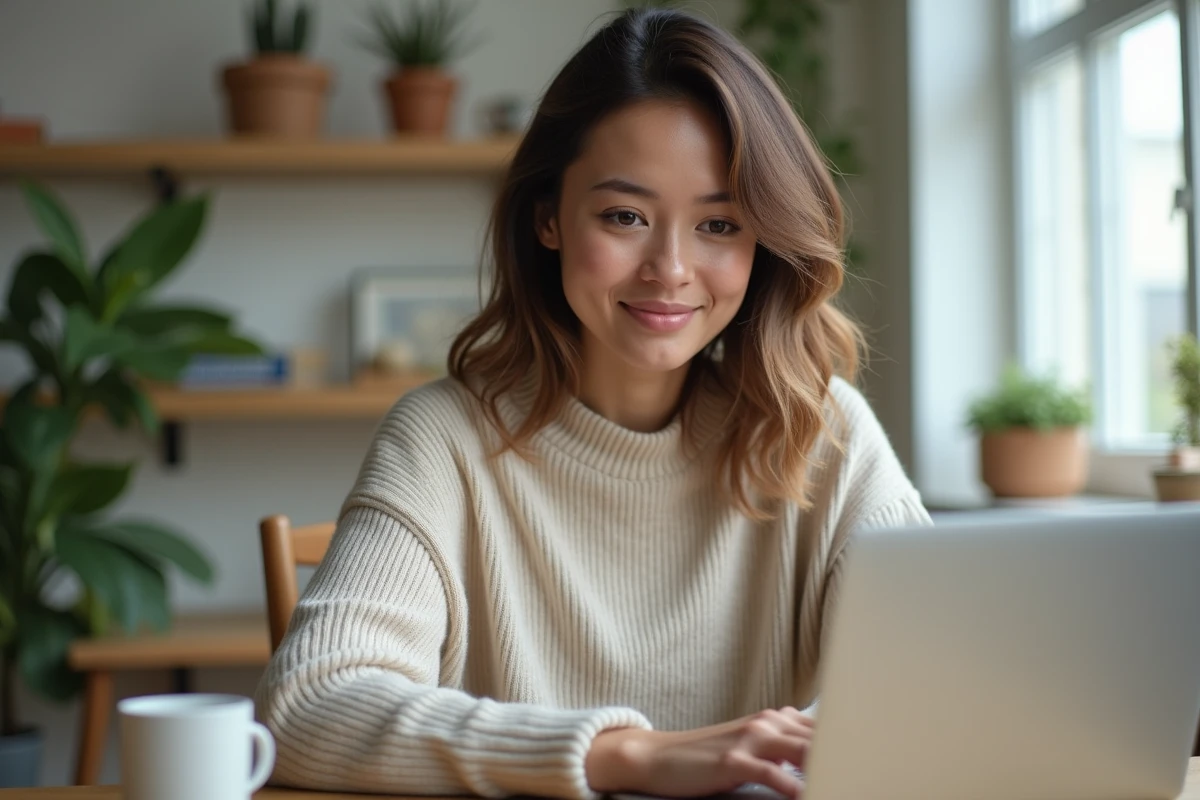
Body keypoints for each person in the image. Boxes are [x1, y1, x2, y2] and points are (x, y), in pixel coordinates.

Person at [255, 7, 930, 800]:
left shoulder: (823, 430)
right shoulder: (442, 439)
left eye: (720, 223)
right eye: (625, 217)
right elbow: (306, 707)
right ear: (549, 217)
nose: (671, 269)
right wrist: (627, 755)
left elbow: (941, 684)